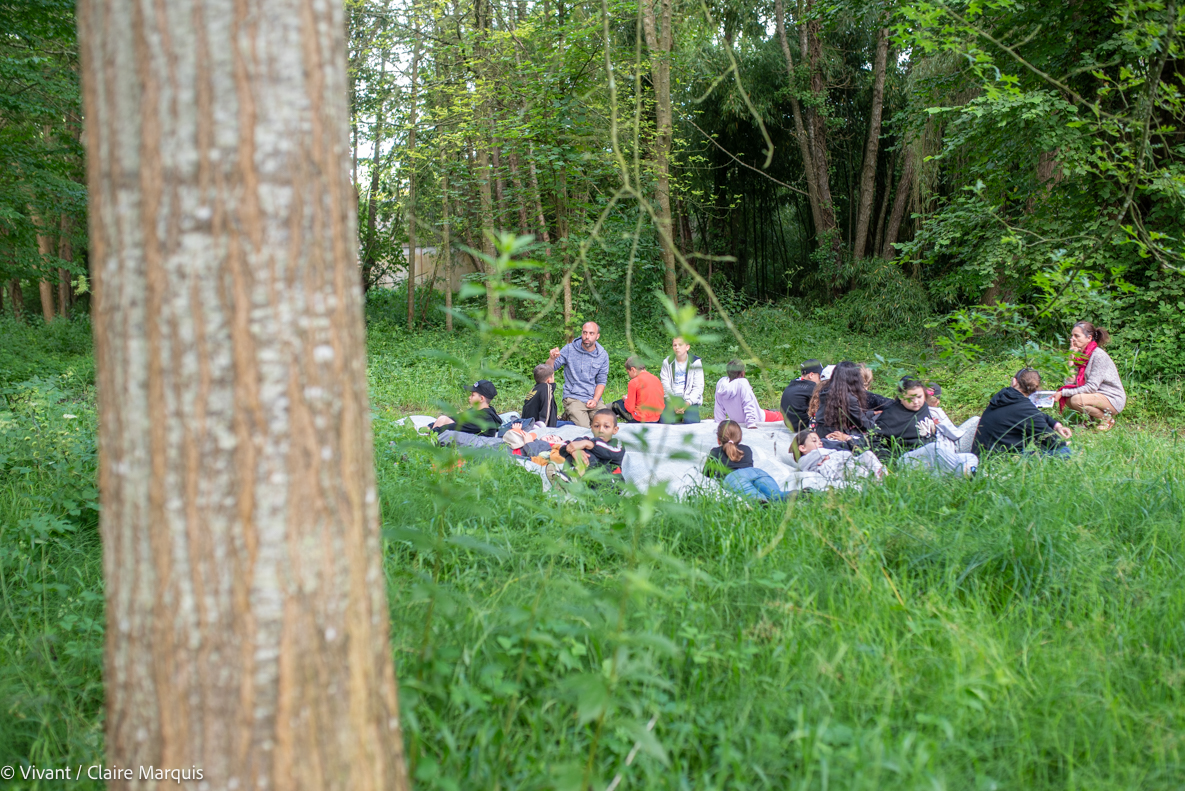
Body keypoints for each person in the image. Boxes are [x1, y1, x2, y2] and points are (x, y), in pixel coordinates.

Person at [874, 377, 978, 477]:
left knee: (971, 458)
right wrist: (889, 464)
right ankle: (967, 473)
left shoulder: (923, 407)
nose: (916, 402)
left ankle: (948, 476)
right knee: (935, 448)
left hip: (931, 459)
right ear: (901, 397)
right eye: (910, 398)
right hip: (908, 459)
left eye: (919, 397)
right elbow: (875, 439)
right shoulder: (890, 416)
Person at [973, 367, 1073, 456]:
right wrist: (1062, 444)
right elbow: (1052, 440)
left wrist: (1056, 425)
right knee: (1065, 452)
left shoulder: (1003, 397)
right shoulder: (1025, 409)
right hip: (1001, 459)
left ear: (1014, 381)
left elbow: (1037, 415)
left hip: (982, 454)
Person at [1055, 321, 1126, 431]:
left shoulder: (1098, 355)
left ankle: (1107, 419)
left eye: (1076, 336)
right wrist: (1071, 358)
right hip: (1094, 395)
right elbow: (1069, 383)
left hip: (1111, 398)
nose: (1072, 339)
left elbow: (1091, 387)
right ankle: (1089, 421)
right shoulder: (1079, 356)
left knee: (1075, 400)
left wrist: (1062, 392)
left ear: (1089, 338)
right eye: (1072, 336)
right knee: (1068, 399)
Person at [702, 420, 788, 503]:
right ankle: (797, 494)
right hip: (756, 472)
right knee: (776, 494)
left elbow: (706, 473)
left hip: (733, 477)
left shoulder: (715, 452)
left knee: (752, 495)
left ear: (718, 439)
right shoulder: (747, 449)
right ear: (740, 438)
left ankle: (760, 502)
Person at [547, 322, 610, 428]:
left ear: (597, 336)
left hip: (593, 398)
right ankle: (568, 417)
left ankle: (571, 417)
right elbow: (549, 369)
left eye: (591, 333)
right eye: (584, 333)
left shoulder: (602, 355)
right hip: (573, 397)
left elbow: (601, 381)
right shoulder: (569, 349)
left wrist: (595, 399)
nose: (587, 336)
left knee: (606, 424)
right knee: (584, 428)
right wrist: (552, 359)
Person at [812, 361, 877, 449]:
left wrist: (872, 413)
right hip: (835, 437)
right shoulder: (849, 398)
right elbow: (865, 425)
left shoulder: (825, 391)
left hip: (821, 432)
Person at [553, 408, 626, 483]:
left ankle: (570, 478)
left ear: (615, 430)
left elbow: (611, 452)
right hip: (585, 482)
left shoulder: (616, 444)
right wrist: (574, 451)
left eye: (606, 427)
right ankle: (567, 477)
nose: (601, 430)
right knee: (572, 451)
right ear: (591, 428)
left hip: (608, 483)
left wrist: (589, 444)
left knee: (592, 456)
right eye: (596, 426)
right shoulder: (586, 439)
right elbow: (566, 445)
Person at [789, 429, 886, 484]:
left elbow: (845, 454)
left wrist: (831, 456)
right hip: (840, 469)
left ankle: (884, 476)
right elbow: (826, 462)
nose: (820, 443)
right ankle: (876, 481)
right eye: (814, 441)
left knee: (868, 454)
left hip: (847, 461)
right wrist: (829, 458)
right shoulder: (806, 459)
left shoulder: (825, 452)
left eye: (819, 440)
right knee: (853, 469)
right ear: (802, 448)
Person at [713, 360, 781, 428]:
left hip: (737, 421)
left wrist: (719, 424)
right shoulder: (742, 383)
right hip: (759, 418)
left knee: (772, 411)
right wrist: (751, 425)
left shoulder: (721, 384)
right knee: (783, 416)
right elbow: (748, 404)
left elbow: (718, 407)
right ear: (743, 373)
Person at [430, 380, 502, 436]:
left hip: (475, 447)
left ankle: (430, 442)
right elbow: (456, 418)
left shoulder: (484, 417)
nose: (469, 397)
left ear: (481, 399)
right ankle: (430, 439)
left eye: (472, 395)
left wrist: (433, 431)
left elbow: (458, 427)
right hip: (467, 439)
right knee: (443, 418)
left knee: (443, 423)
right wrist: (430, 426)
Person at [659, 336, 704, 423]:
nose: (677, 347)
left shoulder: (695, 363)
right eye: (674, 345)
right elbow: (665, 384)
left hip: (688, 398)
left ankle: (684, 414)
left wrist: (687, 403)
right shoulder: (667, 362)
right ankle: (677, 415)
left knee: (691, 423)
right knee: (665, 422)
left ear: (687, 347)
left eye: (680, 345)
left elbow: (698, 387)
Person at [925, 383, 978, 455]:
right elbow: (955, 435)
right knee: (978, 421)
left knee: (975, 418)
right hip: (953, 448)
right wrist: (967, 431)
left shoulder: (922, 411)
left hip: (942, 444)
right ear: (937, 401)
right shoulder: (936, 413)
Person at [612, 356, 665, 423]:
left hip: (640, 419)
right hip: (656, 418)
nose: (629, 375)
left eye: (628, 372)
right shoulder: (656, 379)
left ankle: (604, 415)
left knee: (616, 404)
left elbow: (630, 408)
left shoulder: (634, 382)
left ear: (633, 369)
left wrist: (625, 399)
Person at [781, 359, 823, 430]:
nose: (820, 380)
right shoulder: (812, 387)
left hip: (789, 425)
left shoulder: (793, 383)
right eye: (820, 376)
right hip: (802, 426)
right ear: (811, 375)